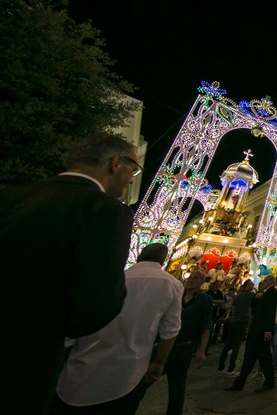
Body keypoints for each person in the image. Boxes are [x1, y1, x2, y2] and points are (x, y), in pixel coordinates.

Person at [0, 133, 139, 413]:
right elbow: (98, 305)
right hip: (27, 356)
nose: (132, 178)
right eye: (132, 169)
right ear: (115, 164)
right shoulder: (105, 211)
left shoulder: (10, 195)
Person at [53, 243, 182, 414]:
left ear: (138, 256)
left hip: (81, 369)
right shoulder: (172, 285)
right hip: (127, 374)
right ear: (163, 260)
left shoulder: (112, 278)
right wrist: (159, 362)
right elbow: (170, 331)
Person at [164, 270, 212, 415]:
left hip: (183, 348)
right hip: (164, 344)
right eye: (190, 277)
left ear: (202, 282)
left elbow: (206, 326)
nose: (191, 280)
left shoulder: (205, 300)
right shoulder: (177, 294)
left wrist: (202, 351)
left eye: (196, 278)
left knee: (177, 387)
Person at [225, 274, 277, 393]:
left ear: (270, 281)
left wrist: (268, 330)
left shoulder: (272, 292)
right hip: (256, 330)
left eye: (264, 281)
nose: (263, 283)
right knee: (249, 358)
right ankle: (239, 383)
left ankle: (269, 382)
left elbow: (270, 311)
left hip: (262, 331)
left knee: (265, 358)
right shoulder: (265, 293)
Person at [218, 279, 255, 376]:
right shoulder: (250, 295)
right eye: (251, 284)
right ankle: (231, 369)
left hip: (234, 320)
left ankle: (221, 366)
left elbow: (233, 308)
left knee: (228, 344)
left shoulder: (238, 295)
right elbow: (260, 296)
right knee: (236, 346)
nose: (253, 285)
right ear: (247, 285)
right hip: (241, 321)